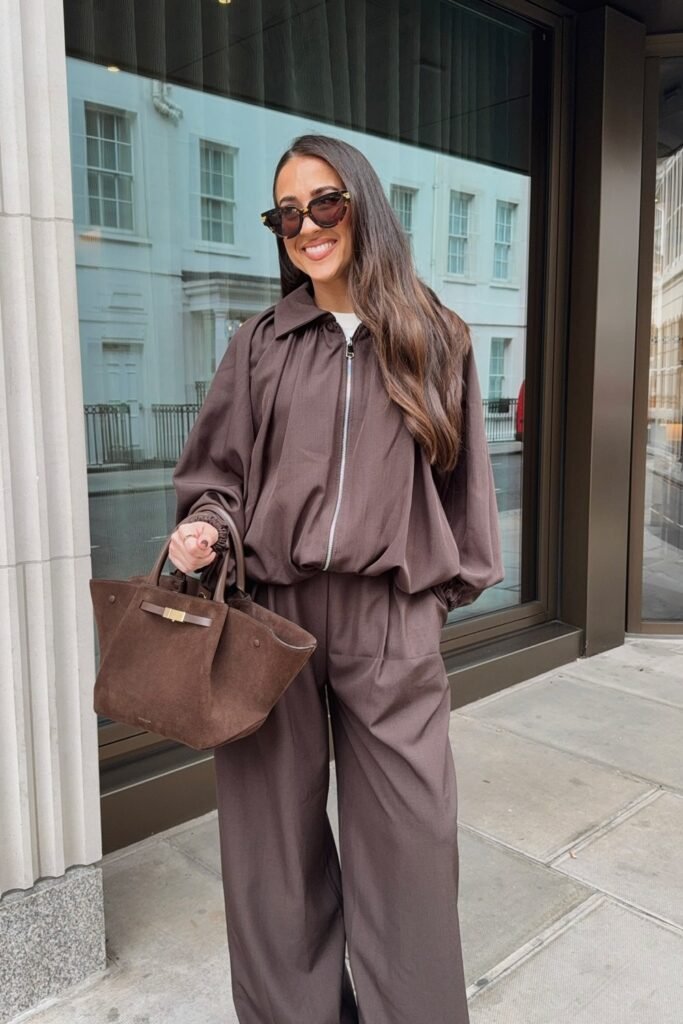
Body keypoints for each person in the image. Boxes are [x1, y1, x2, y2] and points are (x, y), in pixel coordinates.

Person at [170, 134, 503, 1024]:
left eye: (324, 204)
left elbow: (463, 491)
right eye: (286, 213)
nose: (306, 226)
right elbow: (219, 475)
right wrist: (206, 529)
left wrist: (432, 601)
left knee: (412, 847)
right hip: (268, 616)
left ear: (362, 207)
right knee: (272, 855)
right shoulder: (260, 344)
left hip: (389, 618)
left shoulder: (437, 338)